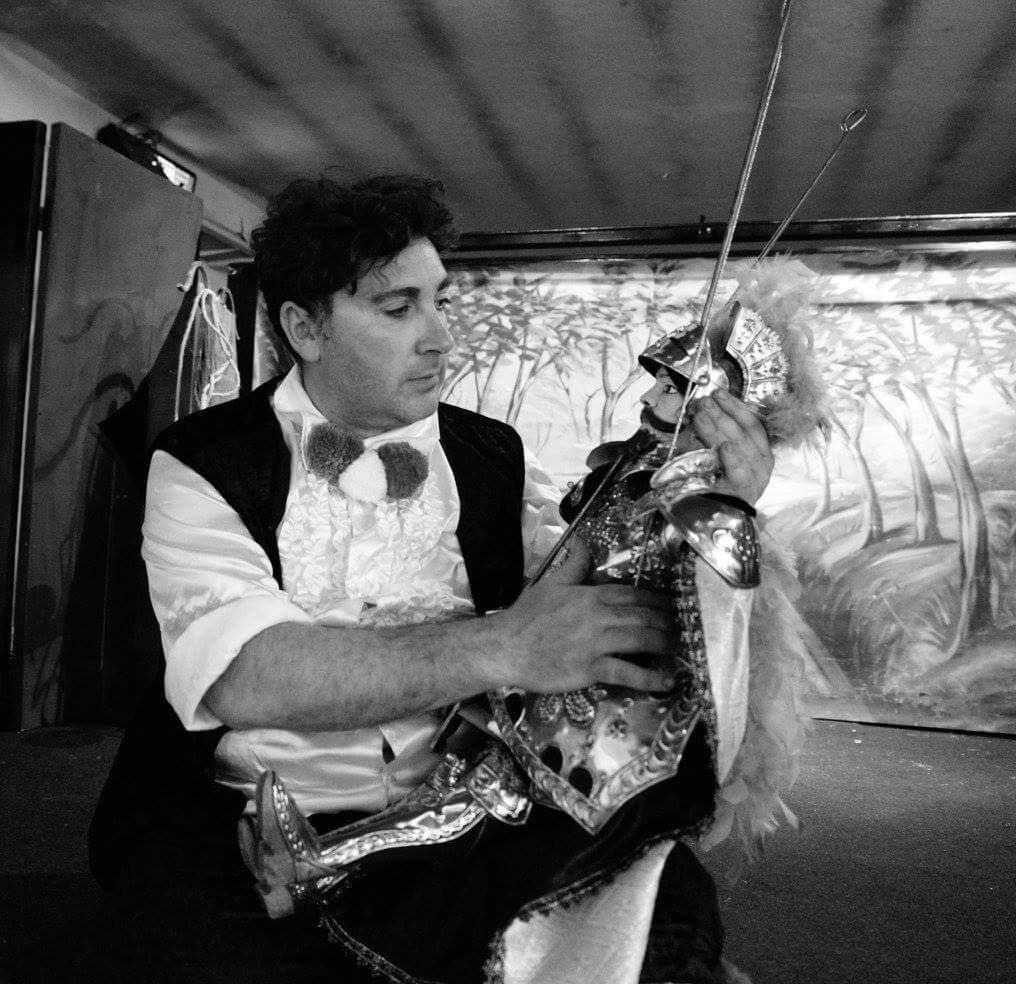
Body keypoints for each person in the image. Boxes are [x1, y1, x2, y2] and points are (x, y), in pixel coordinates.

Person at [89, 173, 776, 984]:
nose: (443, 337)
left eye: (442, 300)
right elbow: (247, 675)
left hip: (477, 809)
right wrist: (505, 647)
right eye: (398, 308)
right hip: (247, 826)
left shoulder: (492, 455)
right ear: (305, 328)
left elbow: (588, 570)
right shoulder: (202, 460)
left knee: (662, 914)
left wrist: (712, 495)